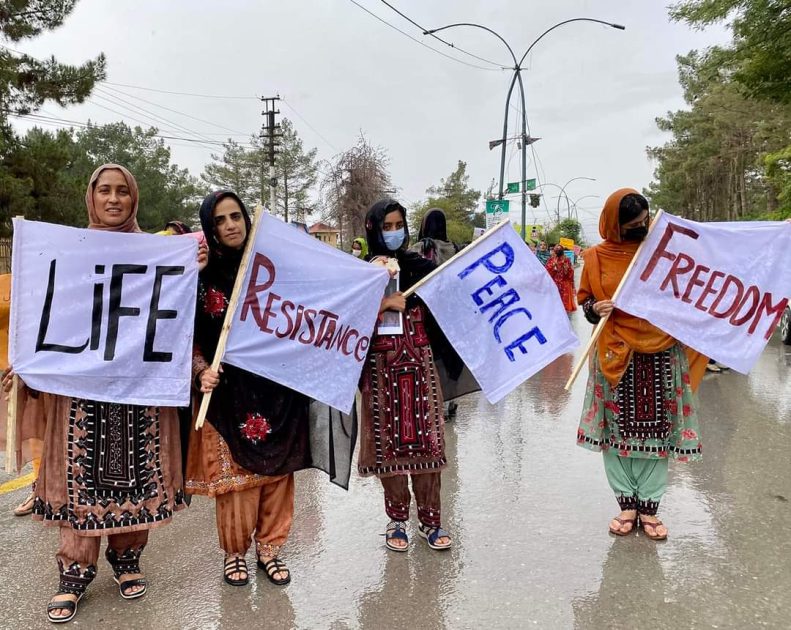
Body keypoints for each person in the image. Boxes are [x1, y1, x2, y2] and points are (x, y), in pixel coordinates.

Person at [1, 164, 193, 623]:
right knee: (75, 480)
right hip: (80, 395)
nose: (113, 199)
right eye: (104, 190)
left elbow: (174, 317)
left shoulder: (156, 255)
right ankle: (73, 573)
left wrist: (192, 266)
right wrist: (26, 363)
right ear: (91, 197)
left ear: (134, 199)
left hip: (139, 391)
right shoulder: (69, 255)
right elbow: (46, 313)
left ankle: (127, 560)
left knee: (140, 477)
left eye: (122, 191)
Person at [187, 190, 311, 588]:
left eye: (236, 216)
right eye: (220, 220)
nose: (230, 225)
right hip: (226, 394)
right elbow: (183, 335)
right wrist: (200, 372)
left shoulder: (271, 268)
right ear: (210, 228)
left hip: (277, 391)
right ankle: (235, 553)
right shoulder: (200, 277)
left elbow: (308, 313)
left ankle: (270, 550)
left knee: (278, 476)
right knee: (236, 486)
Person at [575, 189, 708, 541]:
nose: (641, 227)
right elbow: (585, 302)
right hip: (614, 355)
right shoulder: (595, 258)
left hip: (661, 351)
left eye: (645, 220)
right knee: (614, 432)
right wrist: (595, 309)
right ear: (614, 225)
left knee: (658, 432)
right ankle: (627, 505)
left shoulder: (663, 252)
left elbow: (700, 278)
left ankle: (649, 507)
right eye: (633, 224)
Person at [359, 199, 452, 552]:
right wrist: (383, 302)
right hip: (380, 369)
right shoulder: (361, 273)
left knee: (427, 440)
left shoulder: (418, 266)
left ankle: (431, 521)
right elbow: (346, 318)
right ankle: (397, 519)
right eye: (387, 226)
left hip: (420, 366)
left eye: (399, 225)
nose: (394, 232)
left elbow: (448, 292)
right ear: (373, 229)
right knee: (388, 446)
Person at [546, 245, 577, 312]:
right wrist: (553, 266)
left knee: (564, 306)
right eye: (556, 249)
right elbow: (547, 271)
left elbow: (570, 273)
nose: (558, 250)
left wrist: (566, 268)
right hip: (554, 284)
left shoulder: (566, 260)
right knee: (554, 305)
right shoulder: (551, 260)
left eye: (559, 249)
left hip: (564, 284)